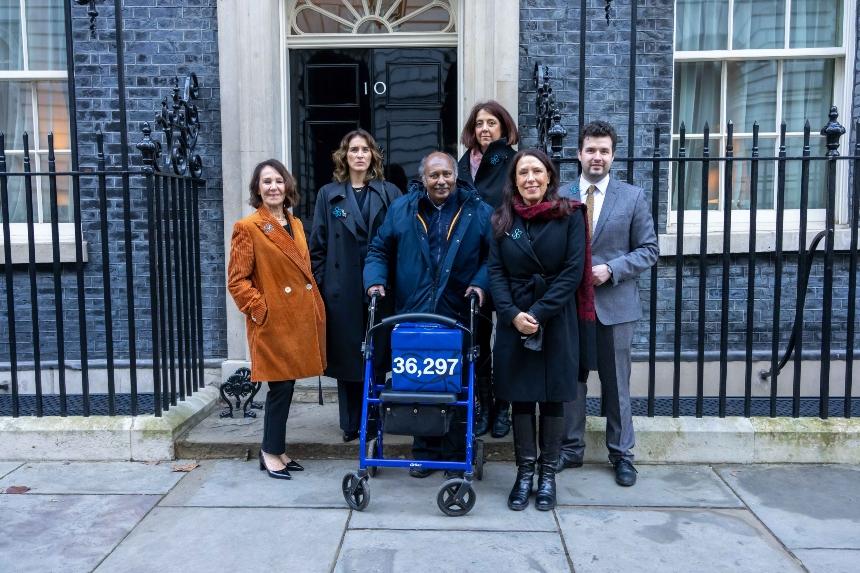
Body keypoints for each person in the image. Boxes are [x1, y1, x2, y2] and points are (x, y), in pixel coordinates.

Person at [364, 151, 492, 478]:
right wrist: (375, 281)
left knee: (456, 384)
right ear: (423, 179)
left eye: (446, 174)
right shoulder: (402, 209)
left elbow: (495, 258)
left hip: (459, 312)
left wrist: (480, 284)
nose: (441, 181)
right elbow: (379, 249)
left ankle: (452, 455)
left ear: (456, 175)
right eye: (434, 175)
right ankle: (424, 451)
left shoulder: (477, 211)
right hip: (413, 312)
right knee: (417, 383)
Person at [488, 149, 594, 511]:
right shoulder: (501, 220)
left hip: (554, 319)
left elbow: (573, 271)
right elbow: (496, 273)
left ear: (549, 177)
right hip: (514, 321)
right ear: (514, 181)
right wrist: (512, 314)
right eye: (522, 173)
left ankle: (548, 475)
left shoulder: (571, 215)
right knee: (520, 397)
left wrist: (537, 312)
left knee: (551, 398)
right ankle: (524, 473)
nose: (530, 178)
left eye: (536, 171)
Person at [558, 120, 659, 487]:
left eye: (604, 151)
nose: (597, 157)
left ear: (612, 156)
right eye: (591, 150)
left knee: (617, 382)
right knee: (571, 379)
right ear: (579, 153)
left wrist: (611, 269)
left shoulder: (632, 197)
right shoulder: (561, 194)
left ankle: (622, 454)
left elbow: (649, 250)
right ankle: (570, 449)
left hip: (615, 305)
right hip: (570, 306)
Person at [227, 159, 326, 480]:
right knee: (280, 387)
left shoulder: (294, 224)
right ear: (258, 189)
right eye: (266, 182)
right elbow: (237, 281)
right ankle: (269, 451)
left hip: (296, 319)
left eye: (278, 181)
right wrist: (261, 309)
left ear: (288, 187)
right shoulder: (248, 227)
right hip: (272, 322)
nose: (273, 187)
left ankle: (277, 449)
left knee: (286, 385)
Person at [309, 129, 401, 443]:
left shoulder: (389, 193)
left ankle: (373, 420)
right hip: (342, 289)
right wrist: (325, 284)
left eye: (365, 150)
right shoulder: (328, 194)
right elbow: (317, 246)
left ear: (373, 155)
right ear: (344, 156)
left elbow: (400, 241)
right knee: (348, 357)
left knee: (376, 354)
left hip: (379, 286)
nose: (359, 155)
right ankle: (350, 424)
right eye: (353, 150)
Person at [457, 100, 520, 438]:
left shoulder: (511, 161)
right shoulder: (462, 163)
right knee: (477, 340)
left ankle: (503, 409)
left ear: (503, 126)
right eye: (479, 123)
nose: (484, 129)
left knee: (506, 341)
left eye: (491, 123)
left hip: (506, 260)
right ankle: (482, 406)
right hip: (471, 263)